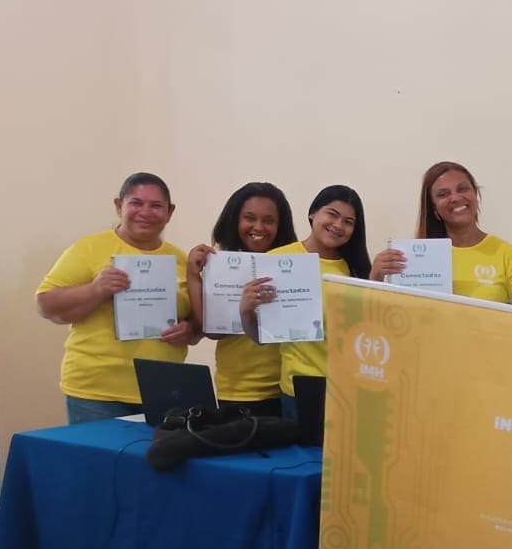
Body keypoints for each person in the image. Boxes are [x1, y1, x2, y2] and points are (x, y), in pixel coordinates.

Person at [36, 172, 198, 424]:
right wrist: (95, 290)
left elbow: (196, 322)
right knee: (98, 453)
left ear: (170, 212)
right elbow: (46, 305)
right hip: (96, 393)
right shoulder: (88, 249)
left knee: (158, 452)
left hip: (163, 389)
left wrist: (190, 330)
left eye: (156, 205)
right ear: (118, 205)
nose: (145, 212)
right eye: (136, 203)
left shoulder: (180, 260)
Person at [240, 185, 371, 418]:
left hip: (349, 387)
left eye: (348, 221)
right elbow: (261, 337)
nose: (338, 225)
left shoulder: (357, 269)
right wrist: (246, 310)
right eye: (332, 214)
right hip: (299, 389)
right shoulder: (276, 260)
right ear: (313, 213)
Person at [184, 182, 298, 416]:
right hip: (237, 391)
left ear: (280, 225)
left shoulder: (294, 265)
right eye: (249, 218)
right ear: (235, 220)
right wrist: (193, 275)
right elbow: (212, 330)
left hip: (286, 389)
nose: (259, 227)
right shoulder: (219, 266)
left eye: (269, 220)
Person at [370, 161, 512, 303]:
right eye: (443, 194)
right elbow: (395, 314)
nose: (455, 198)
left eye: (462, 189)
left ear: (475, 194)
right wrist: (375, 279)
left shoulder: (506, 255)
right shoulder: (412, 259)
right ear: (434, 208)